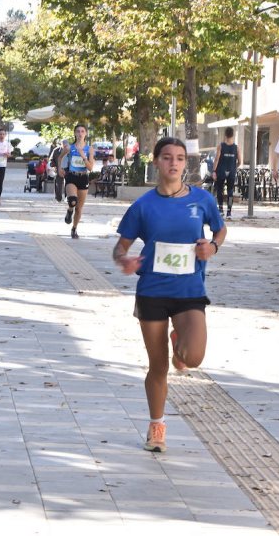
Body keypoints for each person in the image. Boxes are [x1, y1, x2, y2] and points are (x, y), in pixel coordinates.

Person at [112, 137, 226, 453]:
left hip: (189, 290)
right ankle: (156, 426)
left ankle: (181, 346)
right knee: (158, 366)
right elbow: (120, 247)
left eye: (179, 158)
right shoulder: (143, 206)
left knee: (194, 357)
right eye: (166, 157)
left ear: (185, 163)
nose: (173, 163)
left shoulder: (202, 200)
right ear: (156, 162)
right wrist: (125, 259)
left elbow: (220, 230)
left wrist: (212, 246)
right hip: (152, 290)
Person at [59, 124, 95, 239]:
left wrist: (83, 156)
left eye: (82, 131)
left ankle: (74, 229)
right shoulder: (70, 148)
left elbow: (90, 168)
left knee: (79, 208)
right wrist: (59, 168)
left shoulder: (89, 149)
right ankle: (70, 210)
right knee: (73, 201)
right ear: (74, 133)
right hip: (71, 176)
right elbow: (60, 158)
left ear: (86, 134)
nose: (80, 134)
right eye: (78, 131)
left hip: (83, 177)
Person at [213, 127, 239, 219]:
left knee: (220, 190)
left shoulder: (221, 146)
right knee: (230, 191)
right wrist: (235, 166)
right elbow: (240, 161)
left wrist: (214, 171)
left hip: (221, 170)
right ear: (233, 135)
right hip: (231, 171)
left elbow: (216, 159)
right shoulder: (236, 147)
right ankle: (229, 212)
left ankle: (220, 209)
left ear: (225, 135)